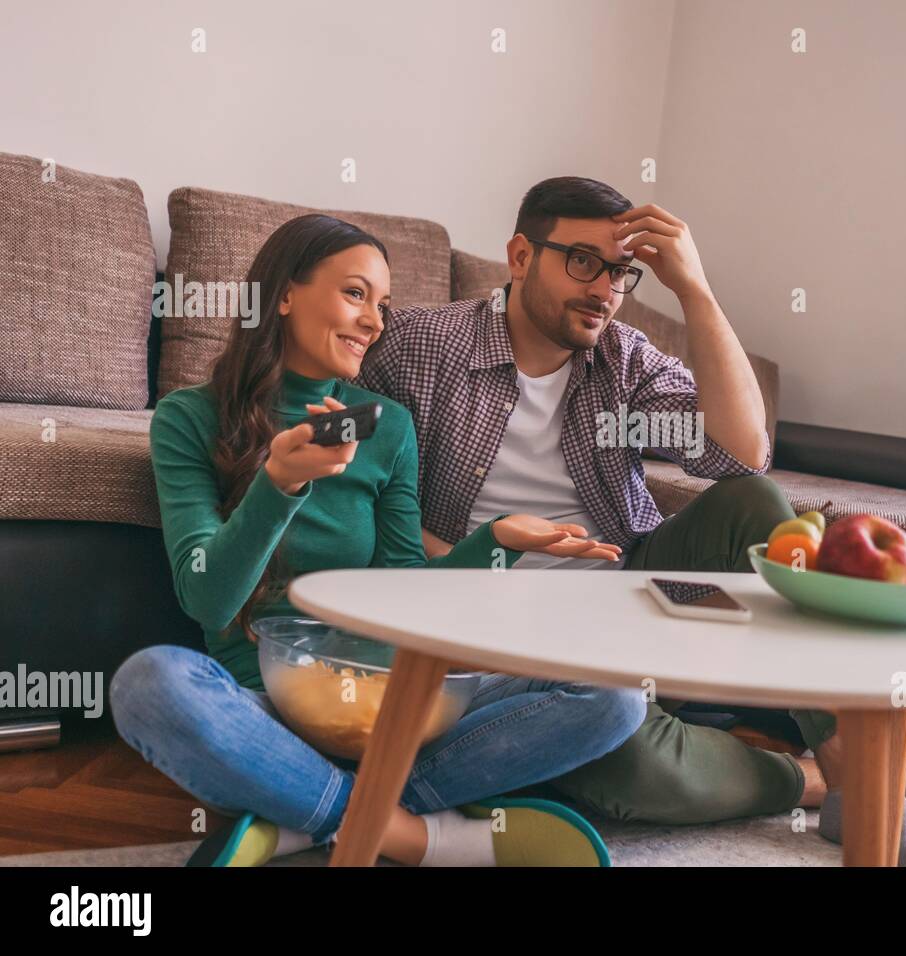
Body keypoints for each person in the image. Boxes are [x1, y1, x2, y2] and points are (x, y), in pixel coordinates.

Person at [357, 177, 906, 862]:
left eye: (621, 272)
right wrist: (475, 563)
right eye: (582, 261)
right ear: (519, 256)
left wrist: (695, 290)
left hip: (625, 599)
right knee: (621, 768)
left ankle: (866, 800)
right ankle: (817, 781)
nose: (604, 289)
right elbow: (361, 499)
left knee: (757, 506)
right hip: (483, 617)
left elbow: (743, 455)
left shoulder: (623, 359)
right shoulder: (419, 346)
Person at [109, 214, 646, 867]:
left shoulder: (385, 426)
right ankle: (416, 836)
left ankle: (301, 817)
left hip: (388, 710)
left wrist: (496, 543)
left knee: (615, 696)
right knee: (149, 683)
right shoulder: (190, 418)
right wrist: (278, 482)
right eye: (355, 294)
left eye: (383, 305)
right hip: (262, 707)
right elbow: (209, 601)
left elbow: (404, 598)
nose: (375, 322)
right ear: (282, 294)